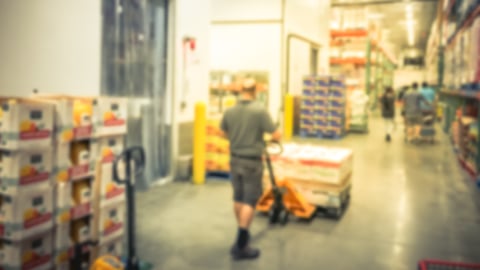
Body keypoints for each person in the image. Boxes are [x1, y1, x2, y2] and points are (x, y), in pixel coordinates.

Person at [219, 78, 282, 260]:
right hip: (252, 162)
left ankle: (242, 237)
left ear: (240, 90)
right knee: (250, 201)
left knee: (238, 198)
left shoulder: (230, 110)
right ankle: (241, 244)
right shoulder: (259, 111)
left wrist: (237, 138)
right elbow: (276, 134)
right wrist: (268, 141)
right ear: (255, 91)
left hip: (235, 160)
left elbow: (223, 133)